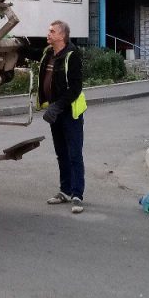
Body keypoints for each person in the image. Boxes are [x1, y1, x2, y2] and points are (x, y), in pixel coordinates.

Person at [37, 20, 87, 214]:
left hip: (69, 112)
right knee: (61, 154)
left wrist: (57, 106)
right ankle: (65, 191)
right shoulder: (48, 53)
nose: (48, 33)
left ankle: (77, 195)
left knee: (74, 153)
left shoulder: (73, 55)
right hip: (54, 112)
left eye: (52, 31)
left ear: (62, 36)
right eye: (48, 30)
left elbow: (76, 88)